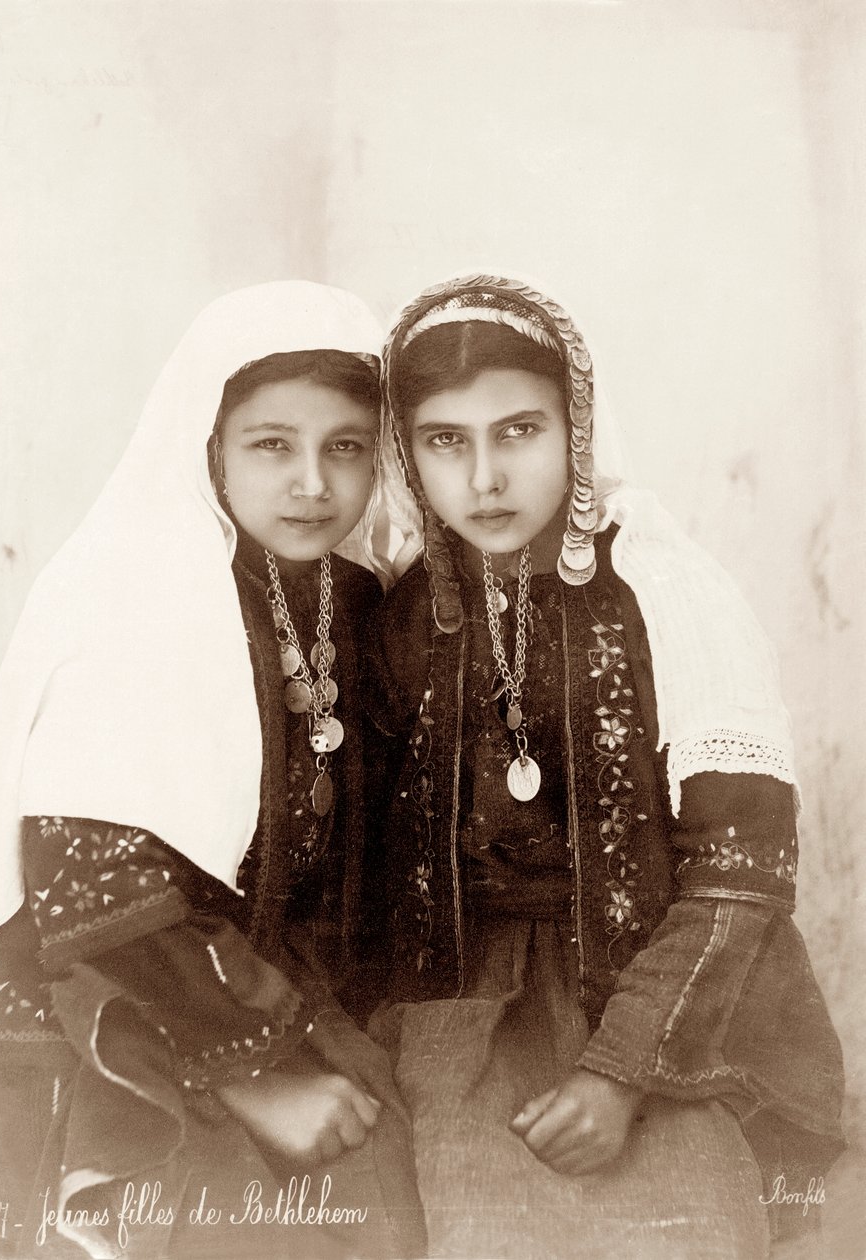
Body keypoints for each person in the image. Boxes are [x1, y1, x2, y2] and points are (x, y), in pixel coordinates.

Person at [0, 281, 426, 1260]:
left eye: (347, 447)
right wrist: (254, 1082)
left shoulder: (352, 598)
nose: (312, 483)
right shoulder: (145, 596)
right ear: (210, 449)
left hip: (260, 1014)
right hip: (108, 1040)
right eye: (271, 445)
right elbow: (85, 881)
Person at [365, 273, 845, 1259]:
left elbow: (739, 869)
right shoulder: (411, 606)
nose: (485, 480)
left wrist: (623, 1071)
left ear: (575, 430)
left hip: (655, 1011)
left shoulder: (666, 589)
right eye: (445, 441)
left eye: (519, 432)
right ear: (407, 454)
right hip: (459, 1016)